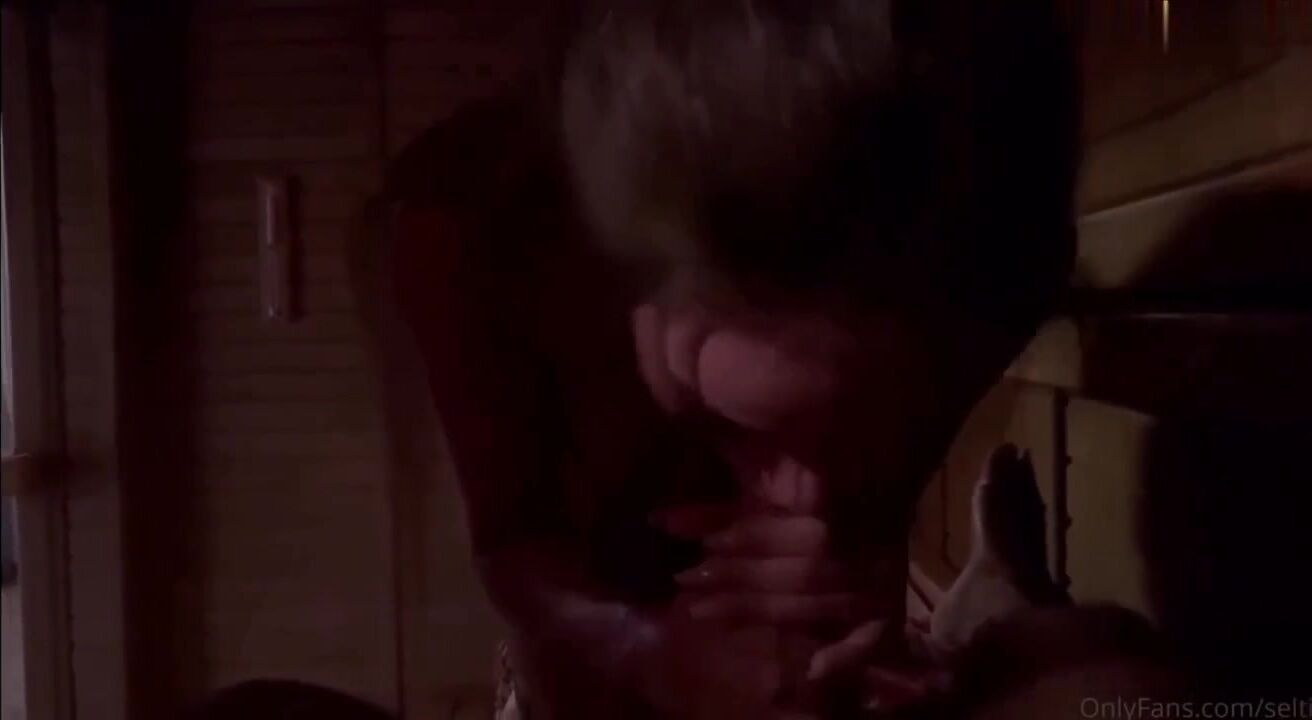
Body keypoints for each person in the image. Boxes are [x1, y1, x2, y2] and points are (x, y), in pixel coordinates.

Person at [394, 0, 1078, 716]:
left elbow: (862, 536)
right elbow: (513, 539)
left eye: (870, 428)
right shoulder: (471, 233)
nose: (805, 513)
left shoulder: (994, 265)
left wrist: (860, 559)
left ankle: (986, 603)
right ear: (628, 275)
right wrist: (645, 653)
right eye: (737, 424)